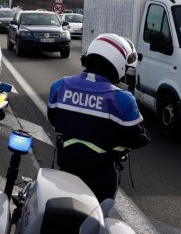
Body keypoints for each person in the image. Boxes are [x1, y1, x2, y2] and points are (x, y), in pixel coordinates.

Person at [47, 33, 150, 202]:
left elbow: (54, 120)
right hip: (101, 177)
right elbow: (138, 139)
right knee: (98, 221)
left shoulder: (59, 86)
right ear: (118, 64)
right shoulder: (122, 99)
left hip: (66, 167)